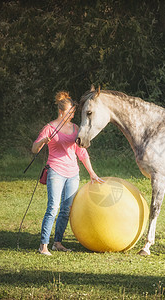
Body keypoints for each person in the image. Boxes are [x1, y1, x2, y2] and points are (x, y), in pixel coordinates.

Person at [32, 91, 103, 256]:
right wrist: (43, 141)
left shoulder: (76, 128)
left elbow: (82, 153)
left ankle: (57, 243)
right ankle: (43, 245)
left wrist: (92, 173)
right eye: (70, 111)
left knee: (65, 209)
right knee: (53, 208)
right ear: (62, 111)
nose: (72, 114)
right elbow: (35, 148)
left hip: (73, 173)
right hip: (56, 171)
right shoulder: (49, 128)